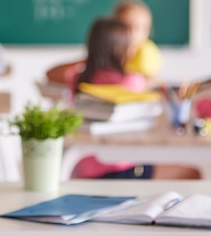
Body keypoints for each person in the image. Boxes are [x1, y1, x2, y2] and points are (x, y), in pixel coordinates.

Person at [62, 17, 201, 179]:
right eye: (130, 45)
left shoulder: (75, 78)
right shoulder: (131, 81)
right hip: (121, 168)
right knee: (192, 173)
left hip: (82, 167)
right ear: (120, 49)